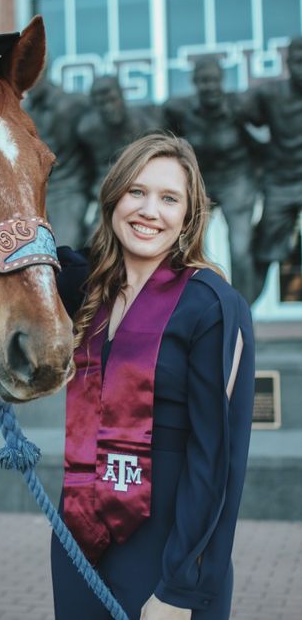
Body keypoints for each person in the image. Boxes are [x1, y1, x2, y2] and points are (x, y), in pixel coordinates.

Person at [51, 133, 255, 620]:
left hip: (166, 548)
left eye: (169, 199)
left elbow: (219, 464)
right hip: (79, 539)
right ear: (114, 196)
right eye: (136, 192)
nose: (149, 210)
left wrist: (181, 588)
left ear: (188, 215)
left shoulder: (212, 306)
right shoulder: (89, 291)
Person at [162, 57, 259, 304]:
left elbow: (261, 137)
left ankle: (243, 310)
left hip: (236, 181)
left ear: (222, 81)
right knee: (187, 245)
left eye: (214, 80)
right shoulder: (180, 110)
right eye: (204, 81)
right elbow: (165, 139)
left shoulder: (238, 107)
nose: (210, 86)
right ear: (195, 83)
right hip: (202, 183)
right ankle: (193, 307)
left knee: (240, 249)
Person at [241, 36, 302, 300]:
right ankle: (236, 324)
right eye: (299, 62)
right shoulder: (270, 95)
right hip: (281, 183)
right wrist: (260, 151)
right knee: (263, 252)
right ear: (288, 63)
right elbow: (237, 114)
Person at [77, 75, 159, 234]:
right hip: (105, 192)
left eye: (111, 100)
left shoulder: (147, 125)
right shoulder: (87, 131)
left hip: (141, 190)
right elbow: (86, 168)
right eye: (101, 103)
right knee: (94, 239)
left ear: (122, 96)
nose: (108, 107)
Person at [23, 71, 91, 248]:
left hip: (68, 191)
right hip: (37, 192)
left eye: (33, 80)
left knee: (62, 251)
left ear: (43, 73)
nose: (28, 87)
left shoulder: (71, 104)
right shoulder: (25, 110)